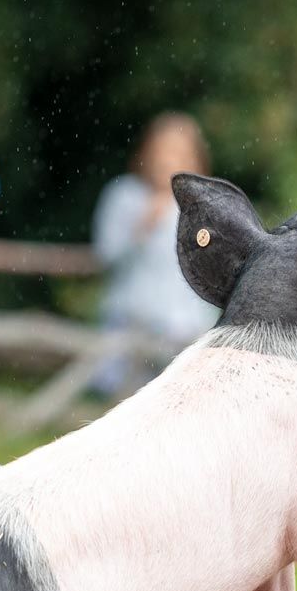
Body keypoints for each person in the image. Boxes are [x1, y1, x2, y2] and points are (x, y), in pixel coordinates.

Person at [90, 113, 221, 393]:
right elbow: (106, 256)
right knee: (125, 403)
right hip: (130, 321)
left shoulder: (203, 205)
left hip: (185, 328)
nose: (166, 161)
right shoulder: (124, 196)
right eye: (160, 152)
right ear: (145, 154)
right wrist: (139, 231)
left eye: (177, 153)